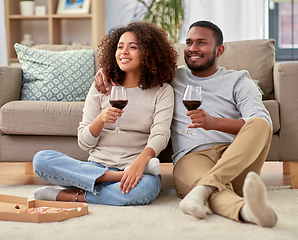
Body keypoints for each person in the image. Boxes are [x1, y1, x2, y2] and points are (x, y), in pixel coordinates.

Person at [94, 20, 277, 227]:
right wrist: (105, 70)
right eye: (189, 43)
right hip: (192, 157)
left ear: (220, 50)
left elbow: (259, 120)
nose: (193, 49)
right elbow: (136, 68)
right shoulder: (173, 76)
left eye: (201, 43)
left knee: (261, 123)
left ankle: (204, 188)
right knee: (212, 189)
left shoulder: (239, 80)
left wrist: (214, 122)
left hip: (235, 156)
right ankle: (247, 211)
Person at [32, 21, 178, 206]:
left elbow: (161, 133)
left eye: (133, 47)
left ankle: (71, 195)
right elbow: (84, 143)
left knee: (146, 191)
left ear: (149, 53)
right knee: (41, 160)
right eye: (120, 46)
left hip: (135, 165)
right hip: (96, 166)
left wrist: (140, 163)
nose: (124, 52)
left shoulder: (162, 91)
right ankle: (116, 178)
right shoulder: (102, 85)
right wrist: (100, 120)